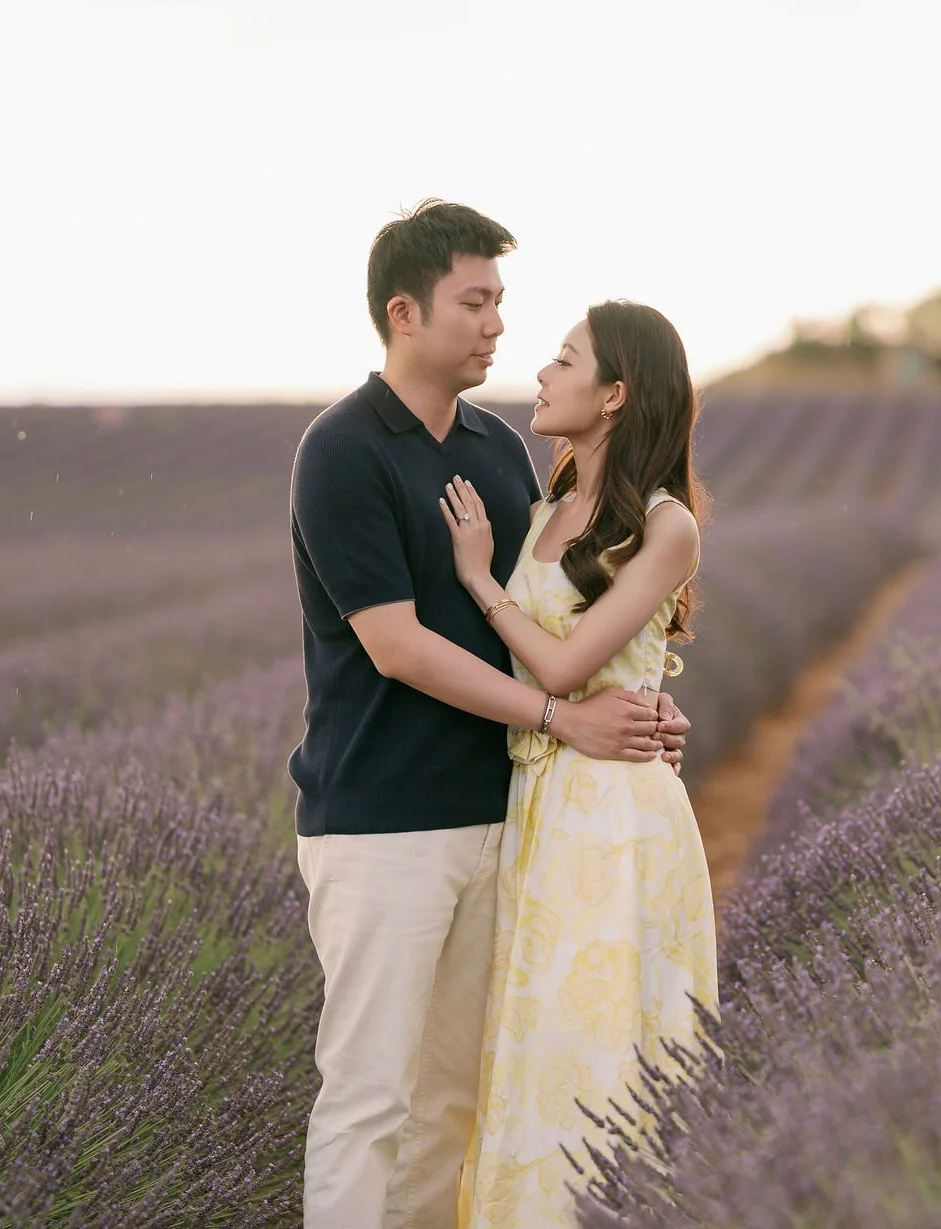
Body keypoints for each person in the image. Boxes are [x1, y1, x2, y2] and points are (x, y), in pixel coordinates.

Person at [287, 201, 690, 1229]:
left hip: (506, 815)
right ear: (404, 312)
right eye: (474, 301)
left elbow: (556, 619)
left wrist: (634, 713)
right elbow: (396, 644)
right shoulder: (340, 450)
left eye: (501, 302)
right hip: (382, 821)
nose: (497, 324)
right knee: (369, 1098)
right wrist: (566, 722)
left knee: (457, 1106)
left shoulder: (499, 452)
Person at [440, 302, 717, 1228]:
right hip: (543, 797)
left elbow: (561, 666)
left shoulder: (668, 525)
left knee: (600, 1049)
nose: (544, 372)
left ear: (615, 396)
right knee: (532, 1042)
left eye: (566, 359)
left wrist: (480, 580)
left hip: (615, 815)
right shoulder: (549, 507)